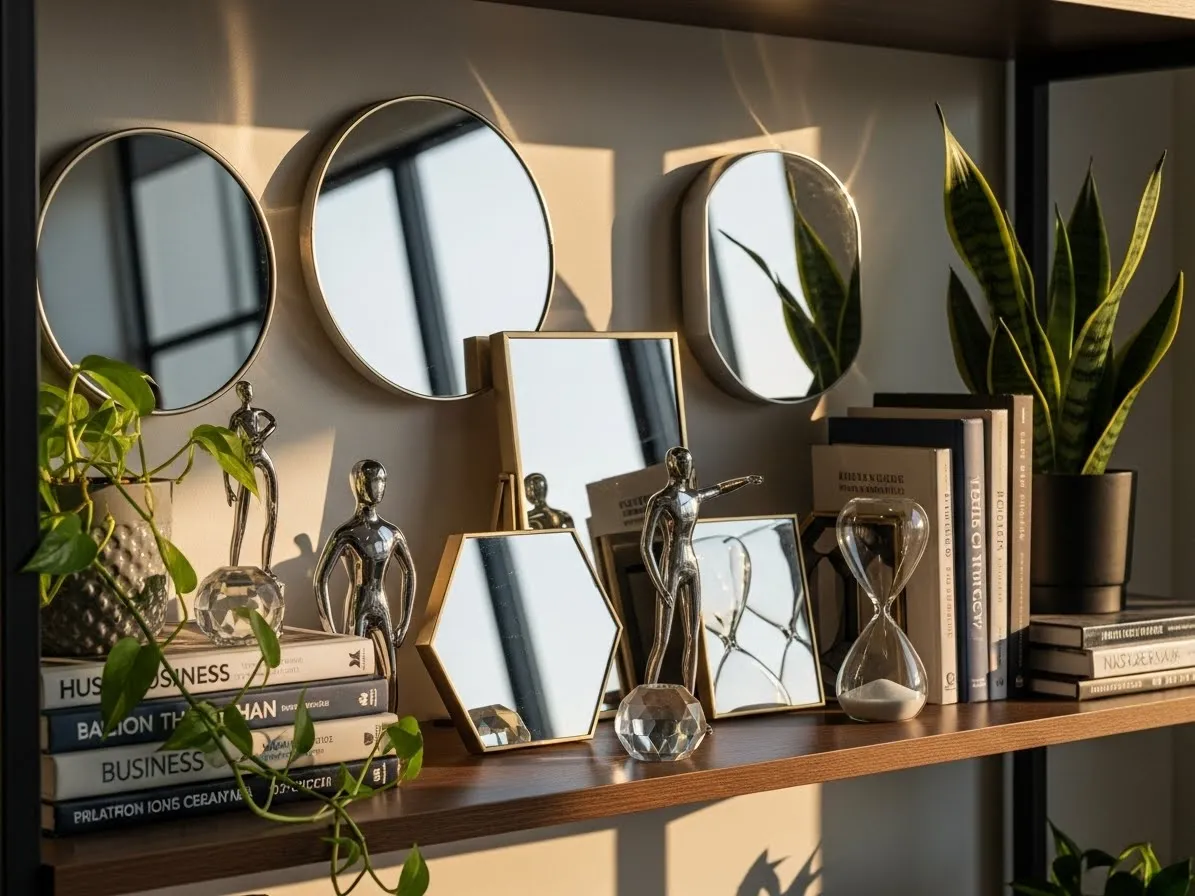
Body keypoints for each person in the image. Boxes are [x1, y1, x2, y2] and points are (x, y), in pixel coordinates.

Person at [641, 447, 762, 693]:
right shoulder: (661, 499)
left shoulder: (694, 496)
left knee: (692, 637)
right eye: (681, 463)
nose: (685, 467)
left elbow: (720, 489)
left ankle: (691, 699)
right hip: (670, 564)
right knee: (662, 639)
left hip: (690, 562)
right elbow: (645, 546)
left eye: (688, 462)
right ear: (672, 466)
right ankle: (646, 696)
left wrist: (745, 481)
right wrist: (659, 583)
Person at [313, 460, 415, 711]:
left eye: (381, 481)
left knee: (391, 671)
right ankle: (358, 727)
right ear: (358, 485)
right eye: (371, 481)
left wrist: (404, 623)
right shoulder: (348, 532)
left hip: (382, 606)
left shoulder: (392, 532)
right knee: (354, 672)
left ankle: (391, 726)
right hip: (358, 605)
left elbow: (409, 573)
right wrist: (331, 630)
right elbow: (320, 579)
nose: (377, 487)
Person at [225, 380, 278, 570]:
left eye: (248, 390)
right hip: (246, 460)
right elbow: (228, 451)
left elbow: (273, 422)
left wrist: (263, 435)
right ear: (239, 394)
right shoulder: (237, 417)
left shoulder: (257, 412)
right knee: (241, 519)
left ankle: (267, 568)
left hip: (262, 455)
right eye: (243, 391)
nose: (247, 393)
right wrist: (228, 485)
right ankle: (233, 568)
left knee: (272, 512)